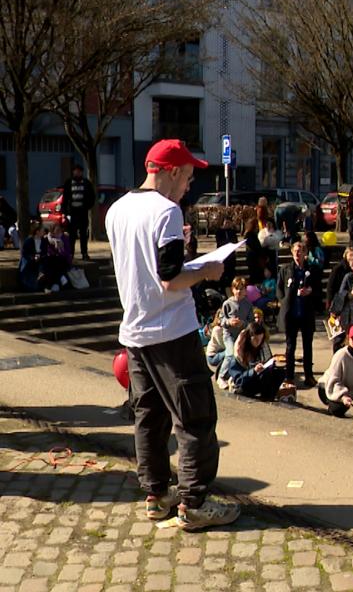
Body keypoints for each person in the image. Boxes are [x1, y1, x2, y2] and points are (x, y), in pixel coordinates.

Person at [105, 139, 238, 530]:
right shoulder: (166, 212)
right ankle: (194, 502)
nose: (189, 187)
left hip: (135, 331)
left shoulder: (116, 210)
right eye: (188, 178)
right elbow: (170, 278)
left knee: (149, 416)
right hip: (171, 332)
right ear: (172, 171)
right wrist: (207, 271)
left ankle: (156, 494)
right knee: (194, 416)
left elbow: (145, 269)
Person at [277, 241, 322, 389]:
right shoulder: (285, 269)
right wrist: (284, 301)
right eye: (296, 250)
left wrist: (310, 292)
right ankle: (289, 376)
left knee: (307, 346)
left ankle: (309, 375)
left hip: (306, 313)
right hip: (291, 314)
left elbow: (318, 290)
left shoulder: (312, 270)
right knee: (290, 347)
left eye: (301, 251)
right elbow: (279, 290)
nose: (298, 253)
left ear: (305, 253)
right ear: (291, 252)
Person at [221, 323, 285, 400]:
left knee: (280, 373)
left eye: (260, 340)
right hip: (244, 385)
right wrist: (254, 371)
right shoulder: (239, 354)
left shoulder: (262, 348)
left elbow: (268, 363)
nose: (258, 342)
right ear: (249, 338)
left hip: (258, 380)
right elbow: (238, 380)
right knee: (264, 376)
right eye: (256, 340)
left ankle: (268, 397)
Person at [62, 165, 96, 261]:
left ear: (82, 172)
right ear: (73, 172)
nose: (77, 173)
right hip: (72, 213)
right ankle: (71, 253)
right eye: (76, 171)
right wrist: (65, 212)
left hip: (83, 212)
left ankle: (84, 253)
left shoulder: (86, 183)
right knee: (72, 235)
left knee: (83, 234)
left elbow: (92, 197)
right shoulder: (69, 183)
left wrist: (87, 206)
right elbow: (65, 198)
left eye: (79, 171)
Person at [220, 276, 254, 360]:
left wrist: (243, 323)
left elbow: (252, 323)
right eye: (236, 288)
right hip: (229, 334)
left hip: (242, 335)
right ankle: (222, 373)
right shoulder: (227, 303)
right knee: (231, 355)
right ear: (232, 289)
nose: (239, 291)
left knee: (244, 355)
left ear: (245, 291)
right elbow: (221, 320)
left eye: (241, 289)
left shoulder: (248, 305)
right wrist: (229, 322)